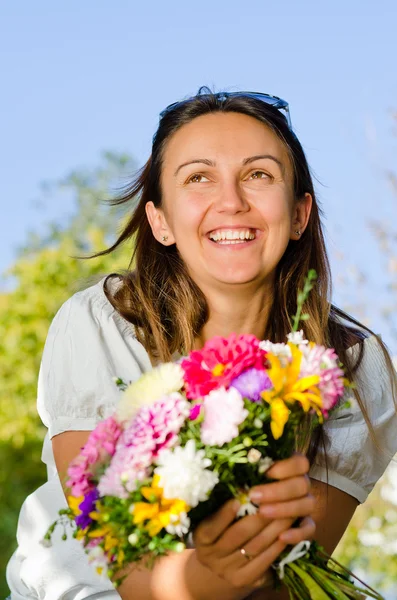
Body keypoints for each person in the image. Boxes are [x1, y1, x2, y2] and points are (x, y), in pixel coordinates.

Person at [6, 88, 397, 600]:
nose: (231, 201)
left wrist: (253, 557)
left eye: (259, 174)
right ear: (160, 221)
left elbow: (283, 585)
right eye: (198, 177)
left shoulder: (352, 368)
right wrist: (217, 566)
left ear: (300, 214)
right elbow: (134, 577)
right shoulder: (102, 325)